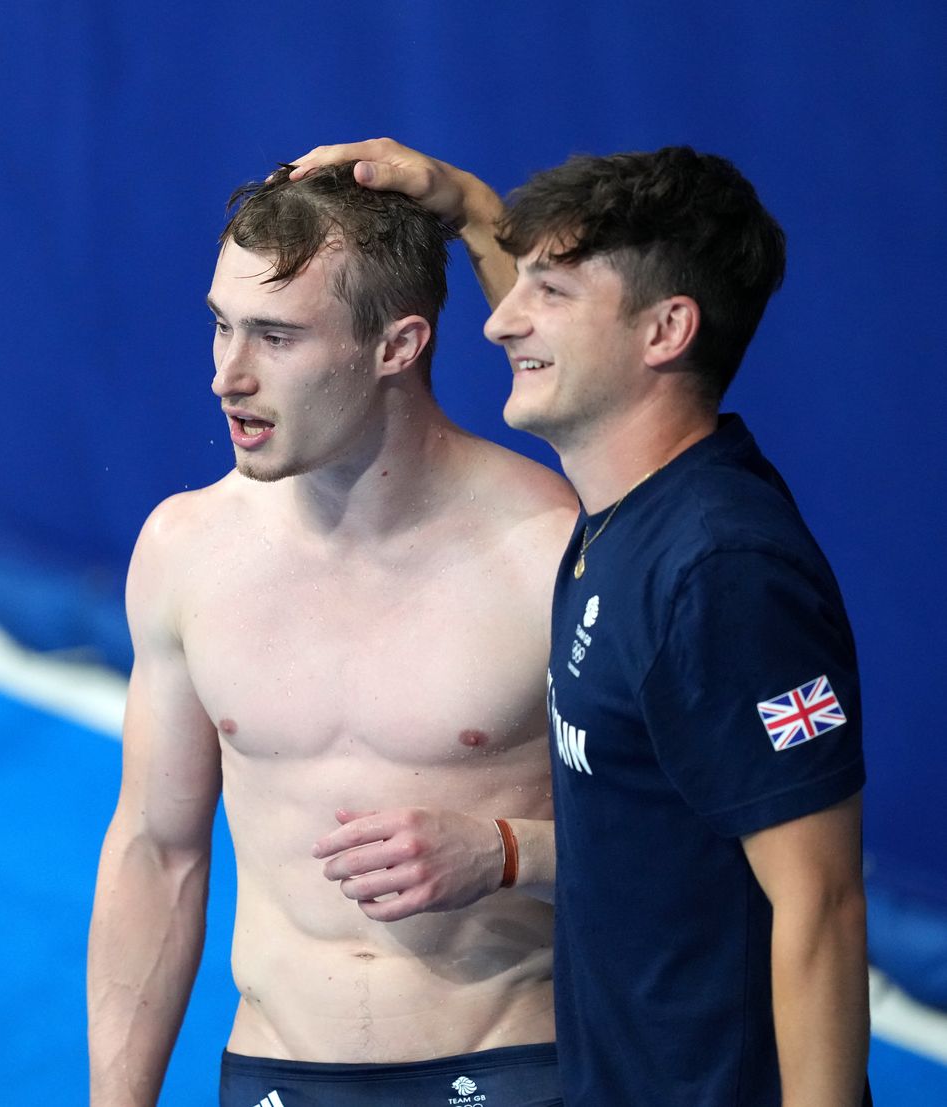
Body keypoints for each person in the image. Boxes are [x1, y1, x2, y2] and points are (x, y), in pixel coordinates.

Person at [287, 139, 872, 1106]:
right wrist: (465, 203)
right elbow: (677, 840)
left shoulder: (723, 575)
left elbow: (821, 904)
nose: (501, 322)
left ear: (666, 331)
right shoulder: (629, 510)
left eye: (550, 292)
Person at [87, 162, 577, 1106]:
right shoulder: (187, 547)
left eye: (276, 335)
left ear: (398, 345)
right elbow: (159, 848)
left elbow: (687, 851)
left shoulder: (548, 551)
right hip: (275, 1071)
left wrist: (509, 850)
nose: (227, 374)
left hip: (514, 1066)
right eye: (222, 324)